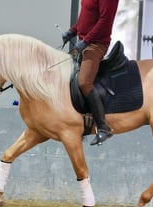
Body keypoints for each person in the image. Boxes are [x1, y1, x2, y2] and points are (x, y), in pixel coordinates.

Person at [62, 0, 119, 146]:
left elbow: (105, 22)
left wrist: (86, 41)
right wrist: (72, 31)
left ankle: (103, 127)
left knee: (84, 82)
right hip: (85, 41)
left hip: (96, 44)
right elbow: (85, 17)